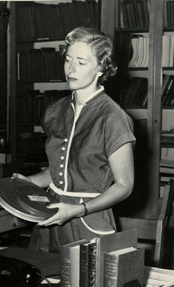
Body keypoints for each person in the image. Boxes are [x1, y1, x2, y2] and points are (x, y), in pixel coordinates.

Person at [13, 27, 135, 253]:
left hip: (88, 219)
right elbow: (61, 170)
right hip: (50, 216)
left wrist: (78, 210)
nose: (71, 69)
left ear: (100, 67)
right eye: (68, 60)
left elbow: (124, 186)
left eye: (81, 62)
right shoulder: (55, 111)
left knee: (85, 286)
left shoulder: (113, 117)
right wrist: (27, 182)